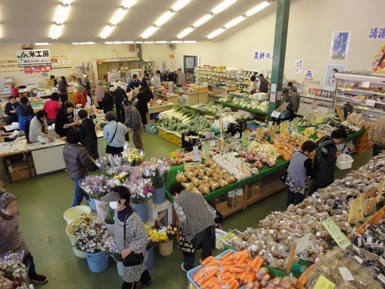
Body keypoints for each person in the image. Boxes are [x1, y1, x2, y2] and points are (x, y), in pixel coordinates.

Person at [101, 186, 152, 289]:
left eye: (112, 200)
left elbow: (143, 238)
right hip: (125, 248)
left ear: (123, 201)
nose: (110, 203)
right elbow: (119, 225)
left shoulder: (133, 220)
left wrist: (129, 250)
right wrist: (117, 235)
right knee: (140, 266)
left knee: (130, 278)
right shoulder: (118, 209)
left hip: (133, 252)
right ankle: (146, 280)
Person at [0, 191, 48, 284]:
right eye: (11, 207)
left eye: (16, 205)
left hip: (17, 241)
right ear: (2, 208)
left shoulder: (16, 213)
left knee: (29, 259)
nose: (15, 209)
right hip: (4, 250)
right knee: (9, 270)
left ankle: (32, 275)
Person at [170, 183, 216, 272]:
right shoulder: (197, 194)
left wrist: (185, 232)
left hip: (196, 230)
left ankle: (188, 267)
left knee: (187, 247)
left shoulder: (177, 201)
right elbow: (210, 210)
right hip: (210, 226)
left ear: (175, 193)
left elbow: (182, 219)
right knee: (207, 245)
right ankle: (206, 262)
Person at [308, 128, 348, 196]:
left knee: (316, 182)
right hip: (326, 169)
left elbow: (317, 144)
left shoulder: (325, 137)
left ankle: (310, 195)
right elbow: (331, 159)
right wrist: (336, 155)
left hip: (318, 164)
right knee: (324, 184)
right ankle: (321, 196)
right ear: (339, 138)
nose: (340, 142)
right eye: (341, 140)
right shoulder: (332, 147)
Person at [63, 128, 93, 206]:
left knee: (84, 188)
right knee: (78, 194)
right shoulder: (80, 150)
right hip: (80, 174)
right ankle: (74, 208)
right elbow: (87, 163)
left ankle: (90, 200)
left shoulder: (66, 147)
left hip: (71, 172)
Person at [285, 140, 317, 207]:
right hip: (299, 183)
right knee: (299, 200)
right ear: (310, 150)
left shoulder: (295, 153)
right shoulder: (307, 160)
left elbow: (289, 165)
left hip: (290, 180)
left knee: (290, 198)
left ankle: (289, 209)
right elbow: (309, 173)